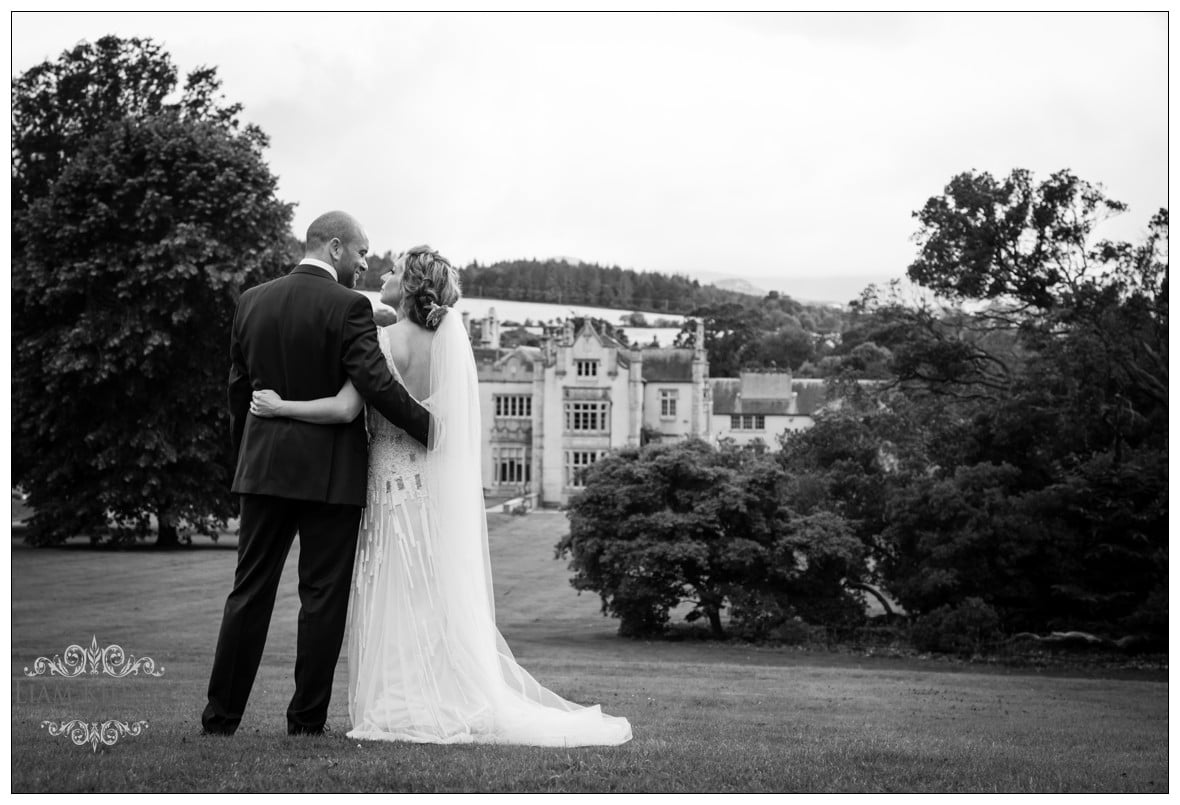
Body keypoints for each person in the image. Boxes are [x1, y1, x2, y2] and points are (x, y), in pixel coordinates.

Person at [249, 245, 632, 746]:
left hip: (388, 489)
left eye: (393, 269)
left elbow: (345, 410)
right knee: (427, 596)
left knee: (391, 592)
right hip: (428, 488)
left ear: (408, 285)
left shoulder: (385, 341)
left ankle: (400, 706)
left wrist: (281, 408)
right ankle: (434, 697)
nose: (382, 273)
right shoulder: (448, 347)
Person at [202, 211, 432, 737]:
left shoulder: (251, 300)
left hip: (262, 471)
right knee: (322, 598)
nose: (365, 263)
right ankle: (305, 722)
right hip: (330, 476)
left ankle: (220, 719)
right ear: (334, 247)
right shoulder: (348, 305)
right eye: (361, 253)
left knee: (248, 592)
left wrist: (246, 455)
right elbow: (376, 384)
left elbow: (239, 390)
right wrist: (436, 430)